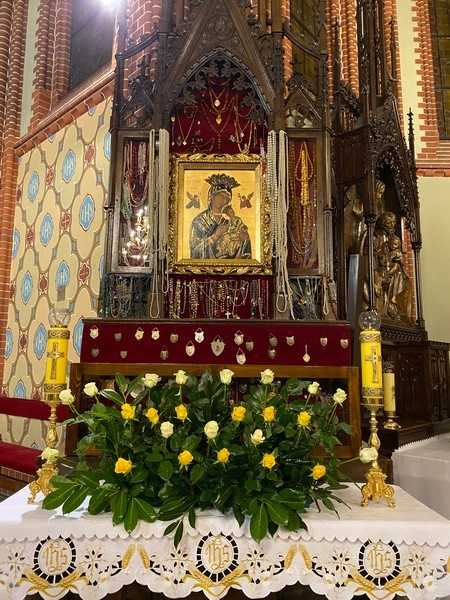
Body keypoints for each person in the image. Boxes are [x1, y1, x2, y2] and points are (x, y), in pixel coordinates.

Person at [190, 173, 251, 259]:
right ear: (211, 197)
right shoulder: (199, 222)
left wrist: (244, 239)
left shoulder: (236, 221)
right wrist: (215, 236)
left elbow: (246, 251)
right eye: (220, 196)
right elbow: (195, 253)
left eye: (227, 198)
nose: (224, 200)